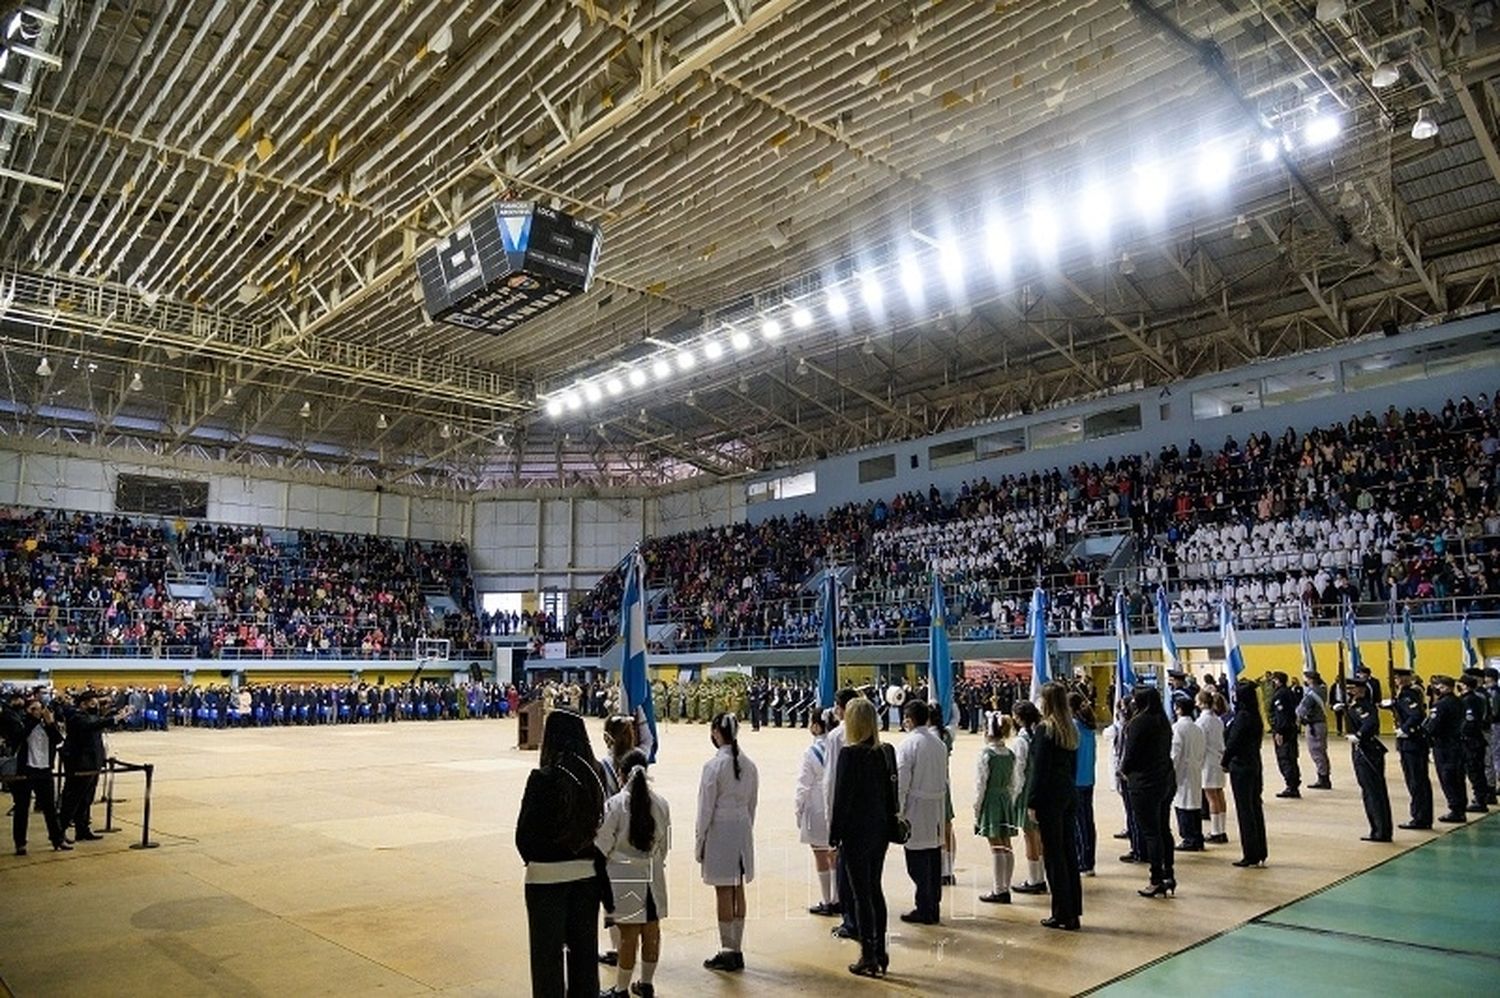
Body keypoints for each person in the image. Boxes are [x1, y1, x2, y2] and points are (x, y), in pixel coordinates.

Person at [515, 710, 609, 998]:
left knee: (547, 960)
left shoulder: (543, 778)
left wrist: (541, 858)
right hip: (587, 877)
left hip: (546, 879)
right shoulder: (597, 774)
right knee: (584, 955)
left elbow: (524, 836)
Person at [595, 748, 670, 998]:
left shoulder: (615, 805)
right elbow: (665, 845)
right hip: (653, 876)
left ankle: (621, 989)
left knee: (628, 936)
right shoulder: (661, 804)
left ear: (621, 774)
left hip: (623, 877)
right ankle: (646, 984)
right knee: (652, 932)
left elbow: (602, 844)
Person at [829, 697, 895, 976]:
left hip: (856, 833)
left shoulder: (850, 754)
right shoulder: (885, 752)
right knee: (875, 889)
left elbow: (841, 799)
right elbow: (892, 793)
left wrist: (834, 836)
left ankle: (867, 953)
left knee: (861, 894)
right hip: (879, 830)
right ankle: (880, 950)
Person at [697, 712, 759, 973]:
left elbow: (704, 809)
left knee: (723, 890)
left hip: (720, 831)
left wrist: (699, 840)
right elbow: (752, 804)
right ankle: (738, 948)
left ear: (715, 732)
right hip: (742, 828)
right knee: (738, 889)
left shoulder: (713, 767)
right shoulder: (750, 765)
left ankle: (726, 950)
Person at [1027, 682, 1081, 930]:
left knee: (1054, 855)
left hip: (1049, 797)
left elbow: (1039, 771)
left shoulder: (1045, 729)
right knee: (1069, 853)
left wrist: (1032, 801)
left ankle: (1061, 912)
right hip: (1068, 793)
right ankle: (1072, 910)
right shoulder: (1069, 729)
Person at [895, 699, 947, 925]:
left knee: (917, 860)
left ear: (908, 719)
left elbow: (901, 781)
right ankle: (932, 905)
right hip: (935, 806)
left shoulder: (908, 745)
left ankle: (924, 907)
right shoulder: (939, 743)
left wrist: (898, 810)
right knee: (933, 858)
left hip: (916, 807)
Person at [1121, 687, 1176, 897]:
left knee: (1151, 832)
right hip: (1164, 778)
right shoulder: (1163, 721)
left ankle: (1156, 878)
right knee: (1164, 829)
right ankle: (1168, 873)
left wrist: (1123, 771)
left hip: (1144, 782)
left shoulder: (1139, 723)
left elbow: (1131, 753)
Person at [597, 715, 638, 967]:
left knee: (612, 898)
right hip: (637, 831)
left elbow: (601, 803)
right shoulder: (637, 759)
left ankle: (618, 949)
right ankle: (632, 945)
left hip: (613, 834)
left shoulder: (604, 765)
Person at [59, 690, 126, 842]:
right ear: (83, 704)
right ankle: (60, 831)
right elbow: (91, 725)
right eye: (92, 702)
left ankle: (82, 829)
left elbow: (98, 722)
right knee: (73, 799)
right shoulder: (76, 716)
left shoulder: (91, 716)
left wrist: (116, 716)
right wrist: (114, 718)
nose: (95, 704)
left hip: (93, 762)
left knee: (86, 799)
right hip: (81, 763)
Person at [9, 696, 71, 856]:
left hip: (45, 770)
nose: (37, 712)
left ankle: (57, 839)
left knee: (50, 808)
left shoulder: (47, 724)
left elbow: (58, 740)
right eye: (33, 709)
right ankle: (20, 843)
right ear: (27, 711)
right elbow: (17, 737)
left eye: (39, 709)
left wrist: (49, 723)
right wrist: (32, 719)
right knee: (22, 809)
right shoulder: (21, 723)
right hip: (26, 770)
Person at [796, 710, 839, 916]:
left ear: (816, 726)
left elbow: (803, 786)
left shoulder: (811, 752)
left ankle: (826, 899)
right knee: (835, 855)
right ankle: (838, 898)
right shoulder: (838, 746)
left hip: (816, 806)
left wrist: (798, 811)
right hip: (836, 803)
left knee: (820, 855)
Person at [974, 712, 1020, 903]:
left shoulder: (987, 754)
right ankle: (1005, 886)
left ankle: (999, 889)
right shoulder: (1009, 754)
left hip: (991, 800)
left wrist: (977, 809)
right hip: (1005, 799)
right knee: (1006, 845)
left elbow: (980, 784)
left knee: (996, 846)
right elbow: (1014, 782)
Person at [1222, 680, 1268, 867]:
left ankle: (1250, 853)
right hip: (1254, 764)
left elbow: (1233, 742)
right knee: (1255, 807)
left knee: (1245, 810)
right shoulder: (1255, 716)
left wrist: (1225, 761)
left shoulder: (1242, 717)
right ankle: (1260, 850)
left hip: (1241, 766)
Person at [1340, 680, 1392, 842]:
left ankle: (1381, 831)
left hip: (1367, 750)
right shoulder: (1354, 706)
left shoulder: (1364, 705)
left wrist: (1359, 735)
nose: (1349, 690)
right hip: (1361, 750)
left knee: (1373, 791)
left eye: (1352, 688)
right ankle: (1377, 829)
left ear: (1360, 690)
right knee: (1368, 790)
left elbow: (1371, 722)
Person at [1384, 668, 1433, 830]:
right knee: (1416, 780)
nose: (1395, 680)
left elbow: (1416, 715)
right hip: (1409, 742)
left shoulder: (1407, 694)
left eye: (1397, 677)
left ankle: (1420, 817)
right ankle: (1422, 816)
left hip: (1412, 742)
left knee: (1416, 780)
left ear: (1404, 678)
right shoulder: (1402, 694)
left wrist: (1405, 729)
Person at [1011, 699, 1048, 895]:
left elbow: (1018, 771)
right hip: (1042, 789)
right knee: (1039, 835)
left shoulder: (1021, 741)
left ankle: (1035, 879)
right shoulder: (1040, 734)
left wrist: (1014, 794)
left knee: (1030, 835)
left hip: (1027, 790)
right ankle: (1040, 875)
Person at [1426, 676, 1469, 823]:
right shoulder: (1460, 702)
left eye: (1439, 686)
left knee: (1447, 778)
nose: (1437, 689)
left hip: (1444, 745)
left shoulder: (1441, 705)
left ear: (1446, 687)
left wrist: (1424, 734)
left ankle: (1455, 809)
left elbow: (1432, 726)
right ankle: (1460, 807)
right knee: (1458, 777)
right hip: (1458, 743)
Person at [1170, 694, 1206, 852]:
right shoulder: (1197, 728)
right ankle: (1197, 836)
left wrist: (1170, 770)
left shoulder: (1178, 728)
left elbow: (1175, 753)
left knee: (1183, 804)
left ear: (1178, 710)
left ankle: (1189, 837)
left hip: (1182, 771)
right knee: (1195, 804)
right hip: (1196, 768)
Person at [1196, 691, 1229, 844]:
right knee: (1219, 794)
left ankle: (1216, 831)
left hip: (1208, 761)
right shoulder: (1217, 720)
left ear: (1202, 703)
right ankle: (1221, 829)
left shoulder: (1202, 722)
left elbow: (1200, 743)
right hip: (1219, 758)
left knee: (1211, 797)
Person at [1456, 672, 1491, 813]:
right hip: (1473, 740)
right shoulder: (1472, 698)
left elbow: (1470, 721)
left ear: (1465, 685)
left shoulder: (1470, 700)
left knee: (1475, 770)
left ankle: (1481, 800)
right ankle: (1480, 797)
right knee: (1475, 770)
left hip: (1472, 741)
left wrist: (1461, 732)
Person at [1071, 693, 1098, 876]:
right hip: (1088, 778)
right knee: (1087, 821)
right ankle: (1088, 859)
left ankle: (1083, 861)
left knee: (1079, 823)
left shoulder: (1074, 727)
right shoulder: (1088, 727)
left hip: (1077, 780)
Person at [1268, 672, 1302, 798]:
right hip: (1290, 729)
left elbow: (1281, 715)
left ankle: (1291, 786)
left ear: (1277, 680)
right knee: (1291, 757)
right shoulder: (1288, 692)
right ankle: (1293, 785)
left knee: (1285, 758)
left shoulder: (1281, 694)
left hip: (1285, 731)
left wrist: (1279, 731)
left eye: (1273, 680)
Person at [1298, 671, 1332, 790]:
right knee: (1321, 751)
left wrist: (1298, 717)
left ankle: (1323, 778)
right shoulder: (1322, 690)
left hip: (1314, 724)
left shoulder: (1312, 693)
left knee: (1316, 751)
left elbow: (1301, 709)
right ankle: (1324, 776)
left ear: (1310, 679)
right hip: (1321, 723)